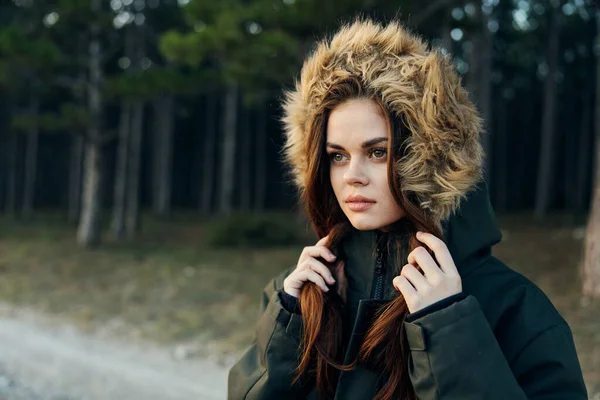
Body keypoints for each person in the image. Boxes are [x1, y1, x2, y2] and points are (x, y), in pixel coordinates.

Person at [227, 19, 588, 400]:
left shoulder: (515, 308)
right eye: (337, 156)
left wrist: (448, 329)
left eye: (377, 152)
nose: (352, 176)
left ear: (428, 158)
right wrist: (288, 321)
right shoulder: (299, 295)